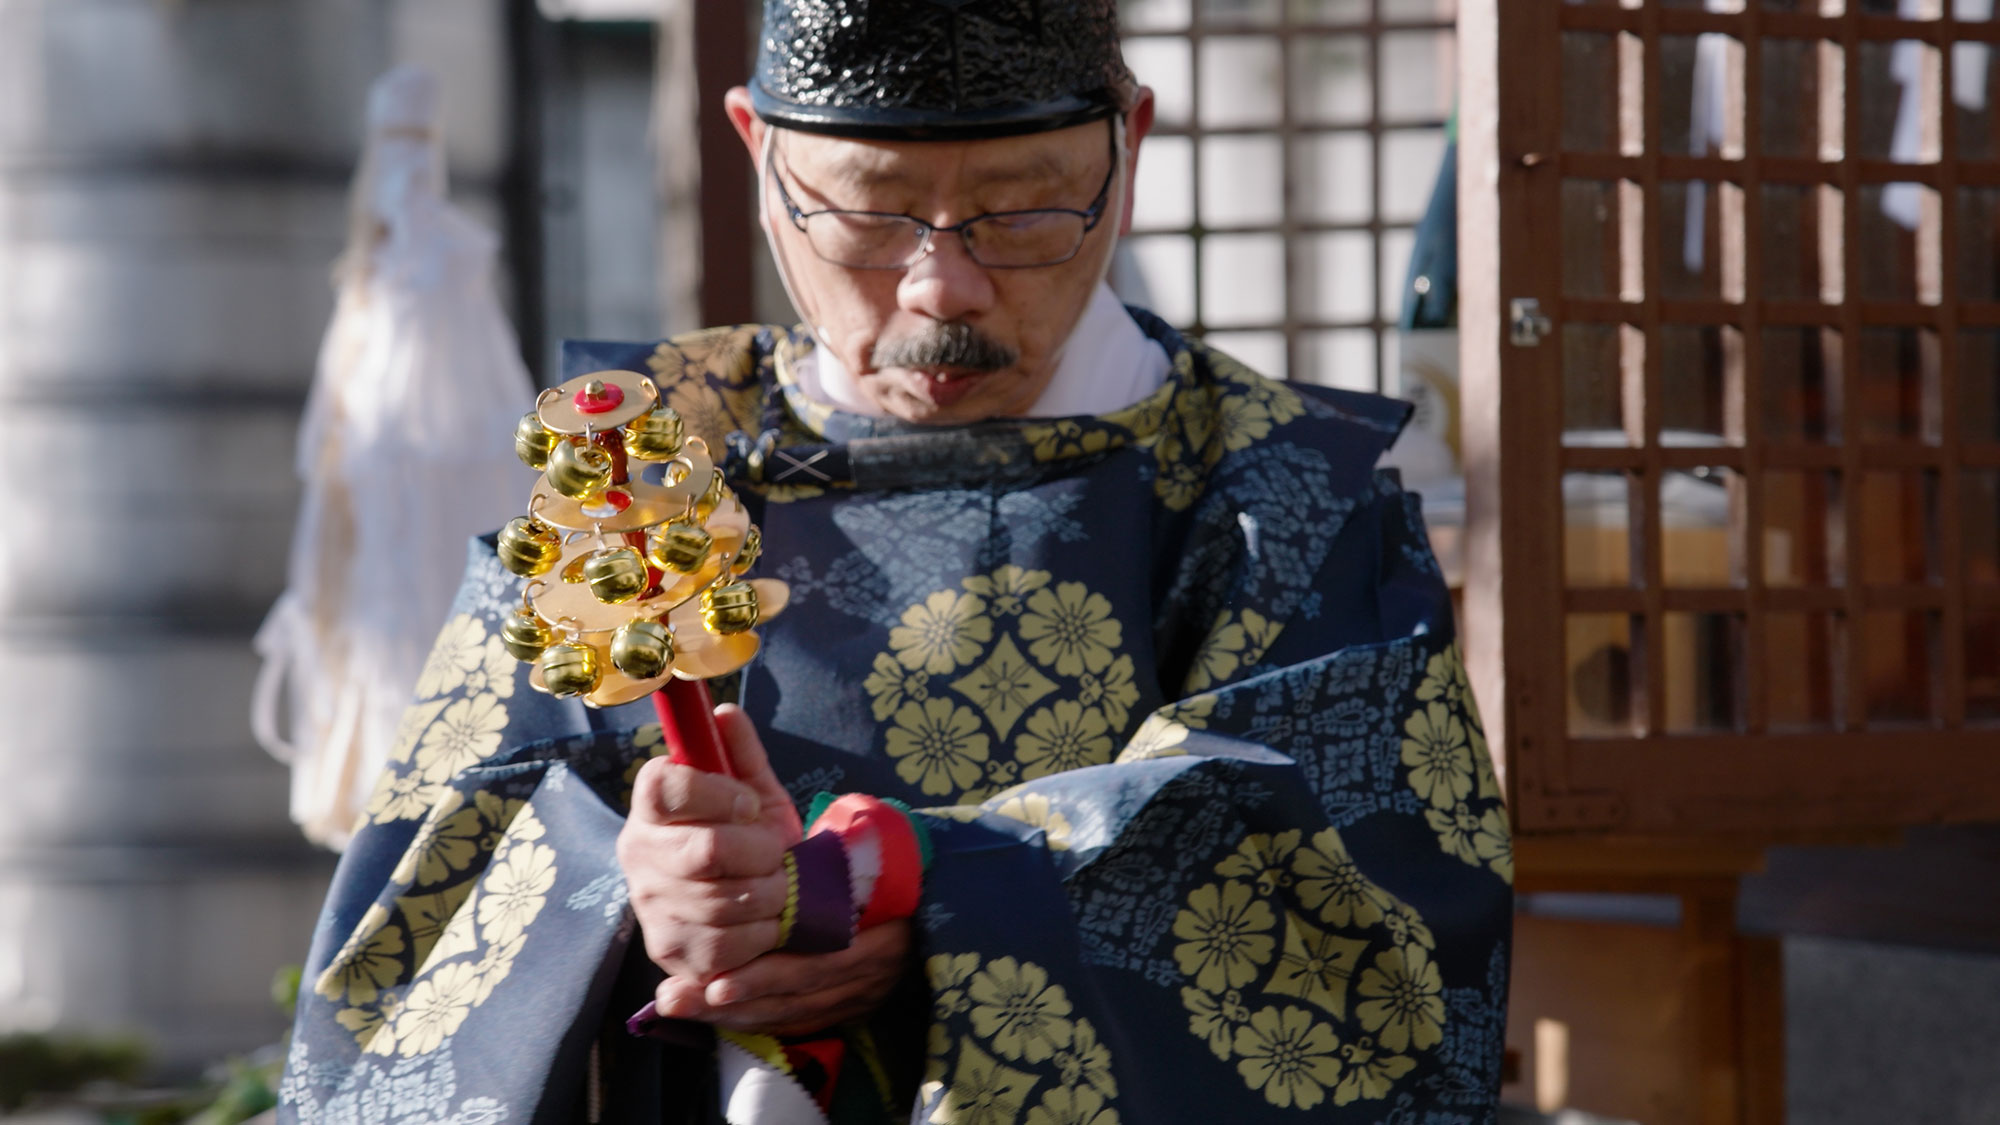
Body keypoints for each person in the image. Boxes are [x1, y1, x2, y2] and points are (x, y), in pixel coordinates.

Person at [278, 2, 1512, 1123]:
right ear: (757, 149)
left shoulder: (1287, 500)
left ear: (1127, 150)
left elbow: (1372, 940)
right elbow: (420, 932)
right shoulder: (648, 466)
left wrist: (919, 889)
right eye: (868, 211)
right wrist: (627, 890)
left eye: (1025, 206)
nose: (941, 290)